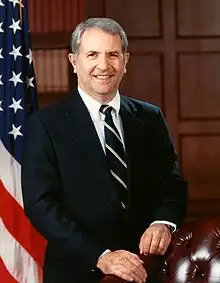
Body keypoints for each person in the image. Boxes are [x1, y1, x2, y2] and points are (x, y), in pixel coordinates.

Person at [21, 17, 188, 283]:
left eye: (113, 54)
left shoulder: (150, 117)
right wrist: (101, 255)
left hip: (148, 268)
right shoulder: (45, 126)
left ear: (126, 61)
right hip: (79, 271)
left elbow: (173, 186)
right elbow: (41, 205)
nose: (103, 65)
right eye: (92, 54)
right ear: (74, 62)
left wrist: (163, 223)